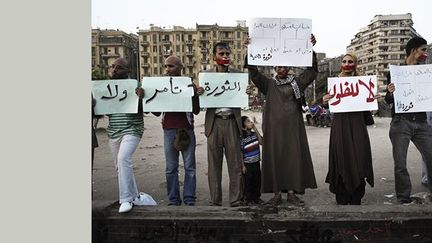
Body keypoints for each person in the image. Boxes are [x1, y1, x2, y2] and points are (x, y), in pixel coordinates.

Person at [244, 35, 318, 206]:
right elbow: (253, 72)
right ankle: (277, 194)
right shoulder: (268, 84)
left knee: (292, 159)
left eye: (285, 65)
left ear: (289, 67)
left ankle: (291, 193)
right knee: (275, 159)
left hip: (293, 130)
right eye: (278, 65)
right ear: (275, 67)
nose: (281, 68)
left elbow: (312, 72)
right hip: (273, 129)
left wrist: (310, 49)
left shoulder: (297, 83)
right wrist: (250, 49)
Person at [196, 42, 244, 207]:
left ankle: (235, 199)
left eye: (227, 54)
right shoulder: (206, 76)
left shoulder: (238, 75)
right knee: (214, 165)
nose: (225, 57)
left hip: (232, 122)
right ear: (214, 56)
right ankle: (215, 200)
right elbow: (199, 102)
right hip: (214, 123)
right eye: (221, 54)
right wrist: (199, 93)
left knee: (235, 164)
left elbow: (245, 98)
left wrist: (248, 92)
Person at [322, 53, 374, 205]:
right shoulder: (335, 83)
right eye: (344, 61)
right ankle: (342, 194)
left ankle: (357, 194)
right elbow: (328, 103)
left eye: (350, 61)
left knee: (359, 156)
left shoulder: (363, 83)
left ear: (355, 64)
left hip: (358, 124)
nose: (347, 63)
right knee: (341, 157)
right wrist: (324, 101)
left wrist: (373, 98)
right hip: (340, 126)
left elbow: (368, 105)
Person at [385, 36, 432, 204]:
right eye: (423, 49)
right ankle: (404, 198)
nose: (425, 53)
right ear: (414, 51)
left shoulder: (426, 72)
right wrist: (390, 92)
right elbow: (389, 100)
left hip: (421, 122)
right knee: (400, 164)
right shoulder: (395, 72)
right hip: (401, 122)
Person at [106, 58, 148, 213]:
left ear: (127, 70)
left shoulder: (136, 86)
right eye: (113, 67)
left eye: (119, 67)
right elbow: (104, 111)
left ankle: (126, 199)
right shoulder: (106, 87)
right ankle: (135, 196)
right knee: (119, 166)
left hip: (132, 129)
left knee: (123, 159)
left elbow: (146, 109)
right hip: (114, 131)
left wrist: (141, 98)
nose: (115, 70)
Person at [159, 56, 200, 206]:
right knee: (171, 168)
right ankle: (173, 200)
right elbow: (156, 112)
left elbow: (195, 111)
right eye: (166, 66)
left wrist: (195, 95)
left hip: (186, 130)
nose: (167, 69)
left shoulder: (189, 84)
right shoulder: (162, 85)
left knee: (190, 167)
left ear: (180, 68)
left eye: (171, 66)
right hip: (169, 130)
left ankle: (189, 199)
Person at [240, 116, 264, 205]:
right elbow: (241, 152)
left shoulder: (254, 134)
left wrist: (255, 129)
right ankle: (248, 199)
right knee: (249, 182)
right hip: (248, 164)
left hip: (256, 162)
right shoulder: (242, 138)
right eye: (248, 121)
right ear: (243, 126)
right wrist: (242, 166)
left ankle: (256, 198)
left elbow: (261, 142)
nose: (251, 122)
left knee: (257, 181)